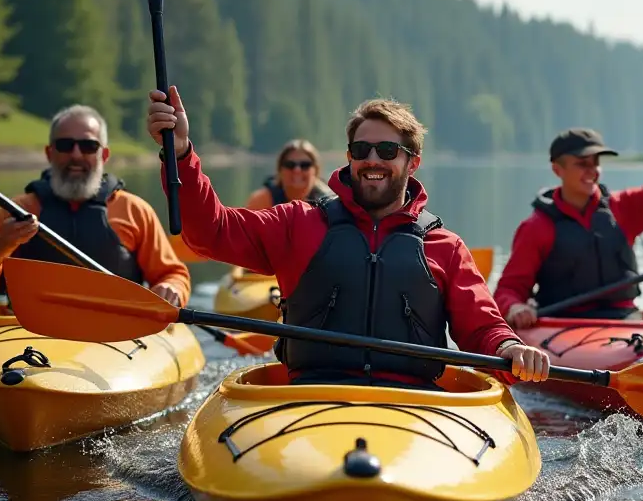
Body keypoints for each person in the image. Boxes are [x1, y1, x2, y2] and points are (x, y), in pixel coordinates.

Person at [145, 87, 552, 388]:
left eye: (388, 150)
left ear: (413, 161)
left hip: (416, 405)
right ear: (350, 157)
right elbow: (211, 232)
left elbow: (482, 328)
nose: (372, 159)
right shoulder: (298, 222)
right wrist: (180, 152)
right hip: (311, 397)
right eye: (362, 149)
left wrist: (508, 350)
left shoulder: (445, 247)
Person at [495, 96, 643, 327]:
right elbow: (508, 289)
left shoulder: (624, 209)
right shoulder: (537, 227)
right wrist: (515, 307)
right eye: (582, 164)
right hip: (560, 327)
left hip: (623, 323)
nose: (592, 171)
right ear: (557, 170)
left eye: (595, 163)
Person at [0, 104, 191, 310]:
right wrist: (1, 246)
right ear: (49, 153)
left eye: (88, 146)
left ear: (104, 155)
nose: (76, 155)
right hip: (26, 333)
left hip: (115, 333)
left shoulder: (135, 211)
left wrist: (172, 288)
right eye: (65, 145)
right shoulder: (15, 211)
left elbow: (172, 274)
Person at [245, 139, 335, 209]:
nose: (297, 170)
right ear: (280, 170)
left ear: (316, 170)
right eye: (290, 165)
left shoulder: (329, 204)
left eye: (305, 165)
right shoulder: (261, 201)